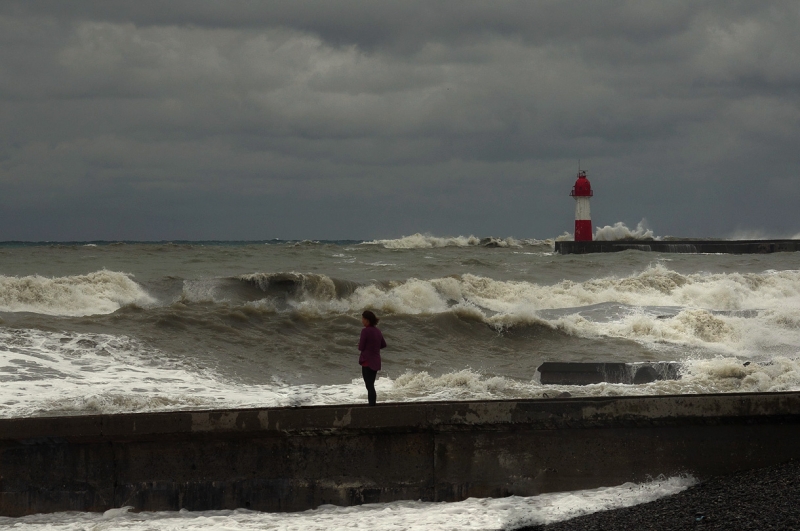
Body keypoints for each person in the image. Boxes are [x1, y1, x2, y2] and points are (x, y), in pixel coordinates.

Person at [358, 310, 386, 406]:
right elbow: (383, 344)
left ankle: (372, 406)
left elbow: (361, 347)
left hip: (367, 361)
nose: (362, 321)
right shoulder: (378, 331)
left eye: (363, 319)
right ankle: (372, 405)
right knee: (371, 384)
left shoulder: (365, 331)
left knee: (369, 385)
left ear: (367, 320)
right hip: (376, 361)